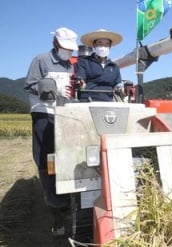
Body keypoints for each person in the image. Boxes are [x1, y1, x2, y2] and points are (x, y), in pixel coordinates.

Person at [24, 27, 79, 236]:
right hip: (43, 112)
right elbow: (29, 85)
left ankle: (66, 198)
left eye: (71, 49)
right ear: (56, 43)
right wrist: (52, 90)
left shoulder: (70, 66)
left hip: (64, 114)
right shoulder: (41, 60)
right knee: (46, 159)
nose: (69, 52)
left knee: (66, 158)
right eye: (65, 48)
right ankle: (55, 205)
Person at [76, 29, 123, 102]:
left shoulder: (114, 67)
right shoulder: (84, 62)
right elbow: (80, 80)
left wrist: (121, 89)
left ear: (110, 46)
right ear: (94, 45)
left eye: (107, 44)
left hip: (108, 102)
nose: (103, 46)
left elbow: (117, 86)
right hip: (87, 101)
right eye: (100, 43)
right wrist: (81, 83)